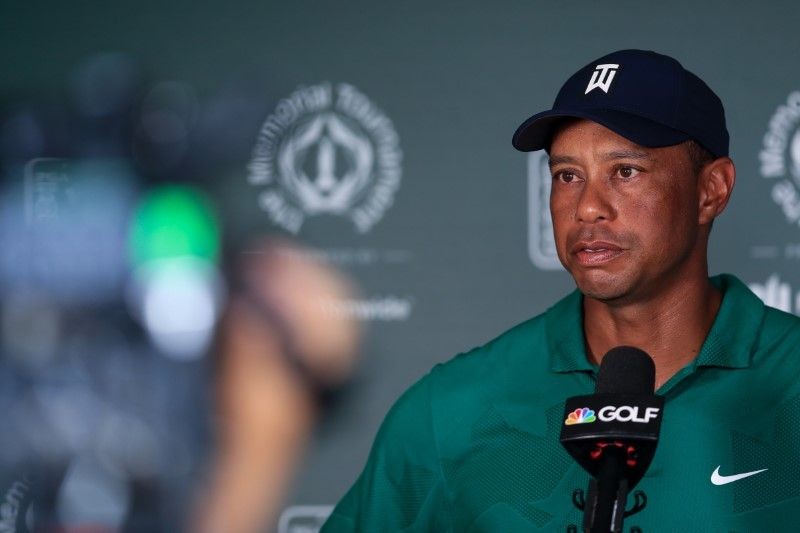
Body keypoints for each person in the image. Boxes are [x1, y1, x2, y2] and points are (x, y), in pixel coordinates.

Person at [321, 50, 800, 531]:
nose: (588, 207)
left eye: (625, 171)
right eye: (567, 176)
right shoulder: (453, 409)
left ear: (711, 190)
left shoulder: (790, 379)